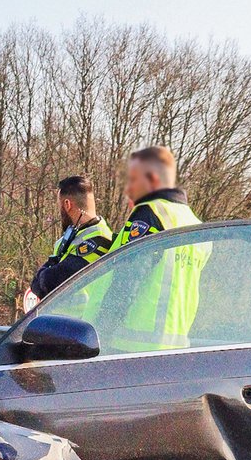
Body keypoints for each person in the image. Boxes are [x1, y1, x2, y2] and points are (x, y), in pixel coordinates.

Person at [107, 145, 209, 351]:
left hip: (130, 348)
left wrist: (101, 331)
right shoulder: (197, 226)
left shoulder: (151, 214)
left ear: (152, 179)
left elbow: (127, 281)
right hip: (174, 349)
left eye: (133, 180)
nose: (128, 189)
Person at [24, 174, 114, 308]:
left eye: (59, 206)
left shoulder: (99, 239)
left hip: (80, 323)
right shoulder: (73, 235)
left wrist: (43, 277)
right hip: (61, 322)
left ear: (67, 204)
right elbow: (38, 284)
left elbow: (51, 282)